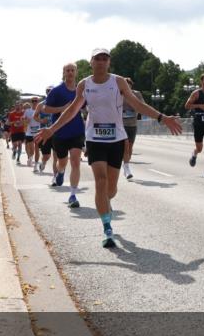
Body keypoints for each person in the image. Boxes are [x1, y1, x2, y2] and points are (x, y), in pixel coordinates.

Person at [36, 49, 182, 247]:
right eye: (98, 59)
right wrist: (52, 129)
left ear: (109, 63)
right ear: (91, 62)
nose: (101, 62)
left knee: (111, 189)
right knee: (101, 181)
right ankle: (107, 228)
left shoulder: (118, 82)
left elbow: (136, 104)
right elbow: (72, 110)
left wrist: (162, 118)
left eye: (105, 59)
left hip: (116, 139)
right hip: (95, 140)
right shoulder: (84, 84)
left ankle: (106, 204)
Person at [40, 65, 86, 207]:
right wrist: (62, 109)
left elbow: (87, 106)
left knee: (75, 162)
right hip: (59, 132)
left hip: (77, 131)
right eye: (68, 70)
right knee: (62, 161)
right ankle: (60, 172)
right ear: (64, 73)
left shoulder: (82, 90)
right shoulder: (57, 91)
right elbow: (45, 108)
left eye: (73, 70)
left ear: (76, 72)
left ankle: (73, 195)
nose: (70, 73)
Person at [122, 78, 144, 180]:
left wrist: (134, 107)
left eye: (129, 85)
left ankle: (125, 164)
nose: (127, 86)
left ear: (131, 85)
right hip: (121, 124)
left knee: (130, 148)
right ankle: (127, 169)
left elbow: (142, 106)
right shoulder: (118, 94)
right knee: (126, 146)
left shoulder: (137, 94)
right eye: (125, 84)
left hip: (132, 124)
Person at [23, 97, 41, 167]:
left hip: (37, 132)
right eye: (33, 101)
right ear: (31, 102)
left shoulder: (40, 110)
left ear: (38, 102)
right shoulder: (27, 111)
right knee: (31, 149)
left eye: (36, 101)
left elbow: (43, 119)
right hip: (29, 132)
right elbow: (23, 120)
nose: (34, 102)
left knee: (36, 149)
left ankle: (34, 163)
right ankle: (30, 158)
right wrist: (26, 121)